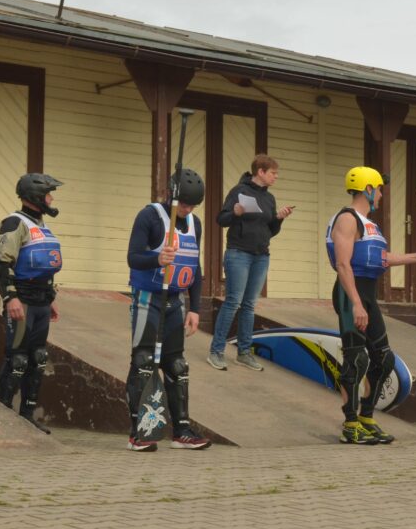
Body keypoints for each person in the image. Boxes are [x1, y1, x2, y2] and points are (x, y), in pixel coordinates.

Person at [326, 166, 416, 445]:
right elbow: (343, 264)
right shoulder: (347, 219)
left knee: (384, 359)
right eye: (379, 189)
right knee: (356, 359)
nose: (382, 195)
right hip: (350, 294)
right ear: (368, 189)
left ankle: (366, 417)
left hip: (368, 294)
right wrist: (356, 304)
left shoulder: (369, 224)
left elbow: (382, 258)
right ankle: (350, 424)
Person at [124, 168, 211, 451]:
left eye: (193, 205)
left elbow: (195, 268)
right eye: (184, 204)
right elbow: (133, 258)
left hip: (175, 301)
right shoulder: (149, 216)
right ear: (172, 196)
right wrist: (157, 259)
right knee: (143, 362)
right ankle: (138, 433)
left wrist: (195, 308)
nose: (188, 210)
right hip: (147, 298)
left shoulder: (195, 224)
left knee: (177, 366)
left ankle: (182, 431)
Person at [208, 153, 294, 371]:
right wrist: (235, 212)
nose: (276, 176)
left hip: (261, 256)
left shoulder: (269, 199)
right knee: (233, 302)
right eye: (273, 173)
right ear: (261, 172)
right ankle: (216, 351)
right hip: (239, 254)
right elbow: (221, 219)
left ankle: (244, 353)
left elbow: (270, 231)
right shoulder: (239, 191)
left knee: (249, 305)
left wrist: (279, 219)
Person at [0, 173, 64, 434]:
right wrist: (10, 297)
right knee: (18, 360)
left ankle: (27, 416)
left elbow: (44, 266)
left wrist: (50, 298)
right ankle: (3, 415)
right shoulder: (14, 223)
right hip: (21, 303)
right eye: (48, 194)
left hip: (41, 303)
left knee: (38, 357)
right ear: (35, 196)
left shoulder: (41, 226)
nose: (51, 199)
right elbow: (2, 264)